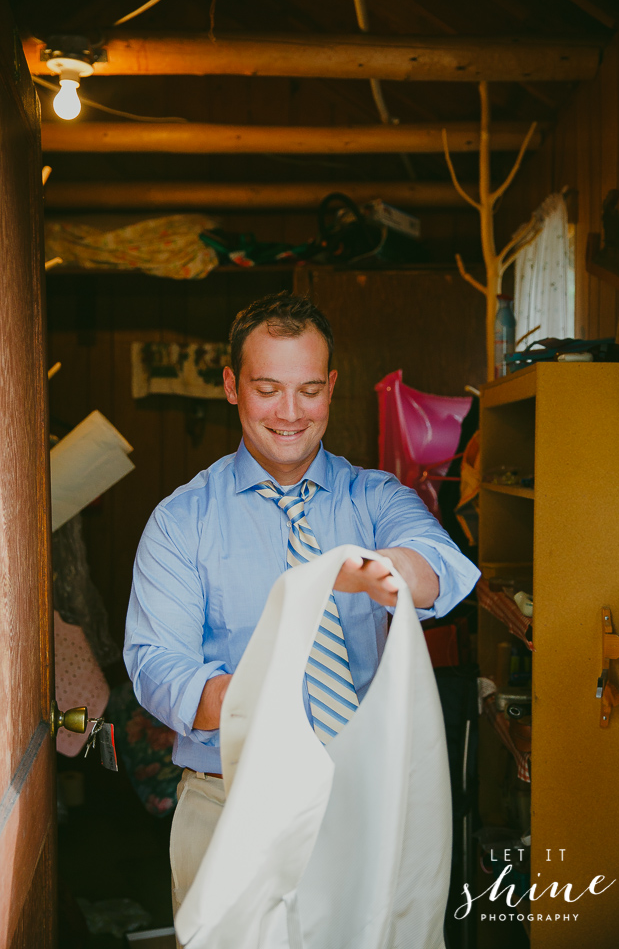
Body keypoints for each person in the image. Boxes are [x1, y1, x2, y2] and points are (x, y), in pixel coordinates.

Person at [124, 291, 480, 926]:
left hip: (367, 801)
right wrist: (252, 698)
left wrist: (385, 572)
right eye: (268, 389)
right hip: (229, 803)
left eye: (309, 390)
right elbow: (156, 667)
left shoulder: (376, 497)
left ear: (332, 387)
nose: (290, 413)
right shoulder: (182, 521)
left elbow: (443, 567)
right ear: (232, 386)